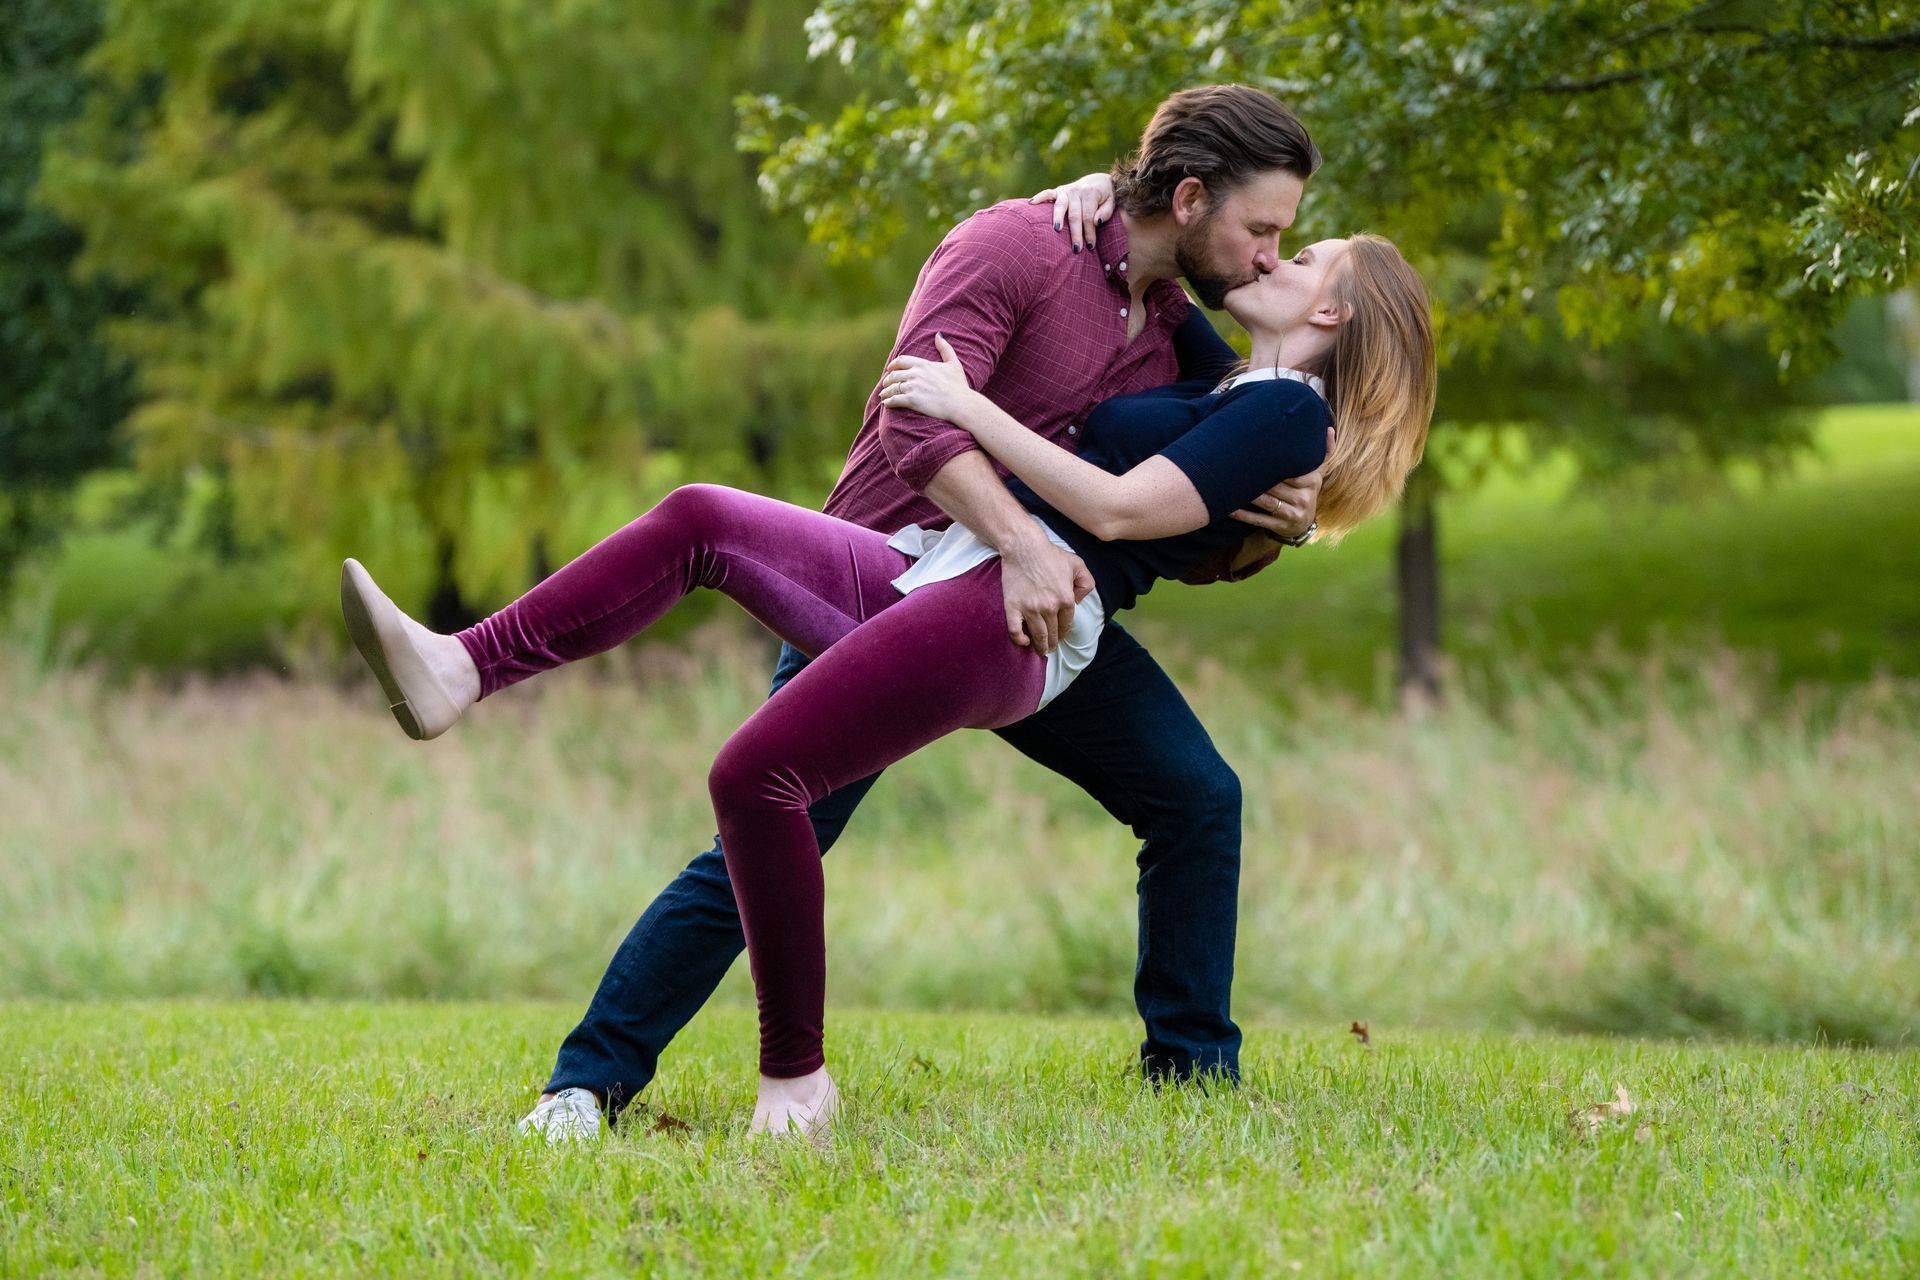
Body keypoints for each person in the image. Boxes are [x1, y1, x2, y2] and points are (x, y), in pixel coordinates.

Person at [349, 85, 1374, 1142]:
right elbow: (912, 423)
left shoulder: (1179, 334)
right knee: (758, 819)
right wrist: (1024, 538)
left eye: (1288, 245)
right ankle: (586, 1079)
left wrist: (1290, 518)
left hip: (1040, 612)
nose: (1267, 256)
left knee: (1196, 797)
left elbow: (1206, 487)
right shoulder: (1018, 245)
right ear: (1193, 197)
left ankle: (1192, 1076)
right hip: (897, 570)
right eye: (1263, 231)